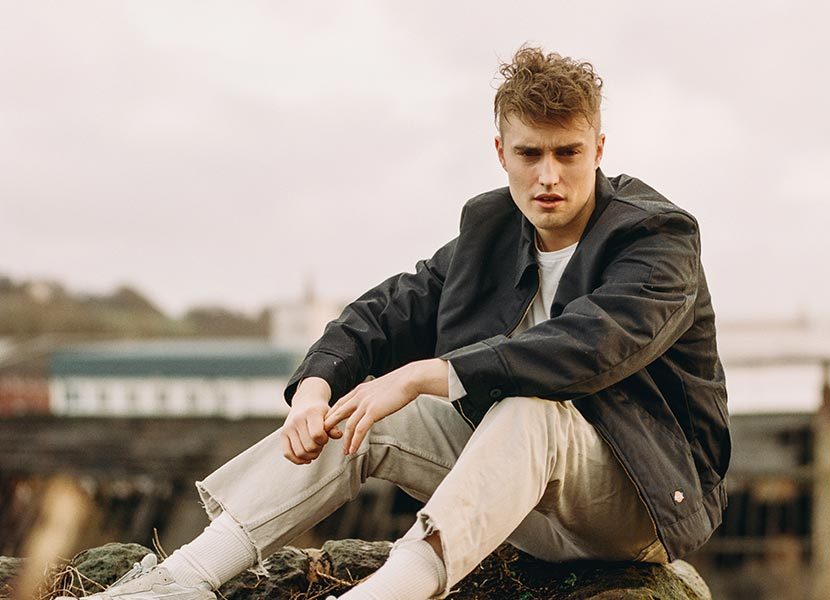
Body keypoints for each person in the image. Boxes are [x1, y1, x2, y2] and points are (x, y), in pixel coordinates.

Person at [61, 45, 730, 600]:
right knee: (366, 408)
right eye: (530, 154)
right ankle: (183, 580)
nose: (548, 175)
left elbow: (594, 345)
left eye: (568, 152)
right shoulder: (491, 229)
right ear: (501, 152)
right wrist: (318, 388)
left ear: (598, 147)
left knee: (532, 409)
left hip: (635, 506)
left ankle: (389, 592)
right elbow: (388, 310)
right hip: (518, 507)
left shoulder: (657, 237)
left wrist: (427, 374)